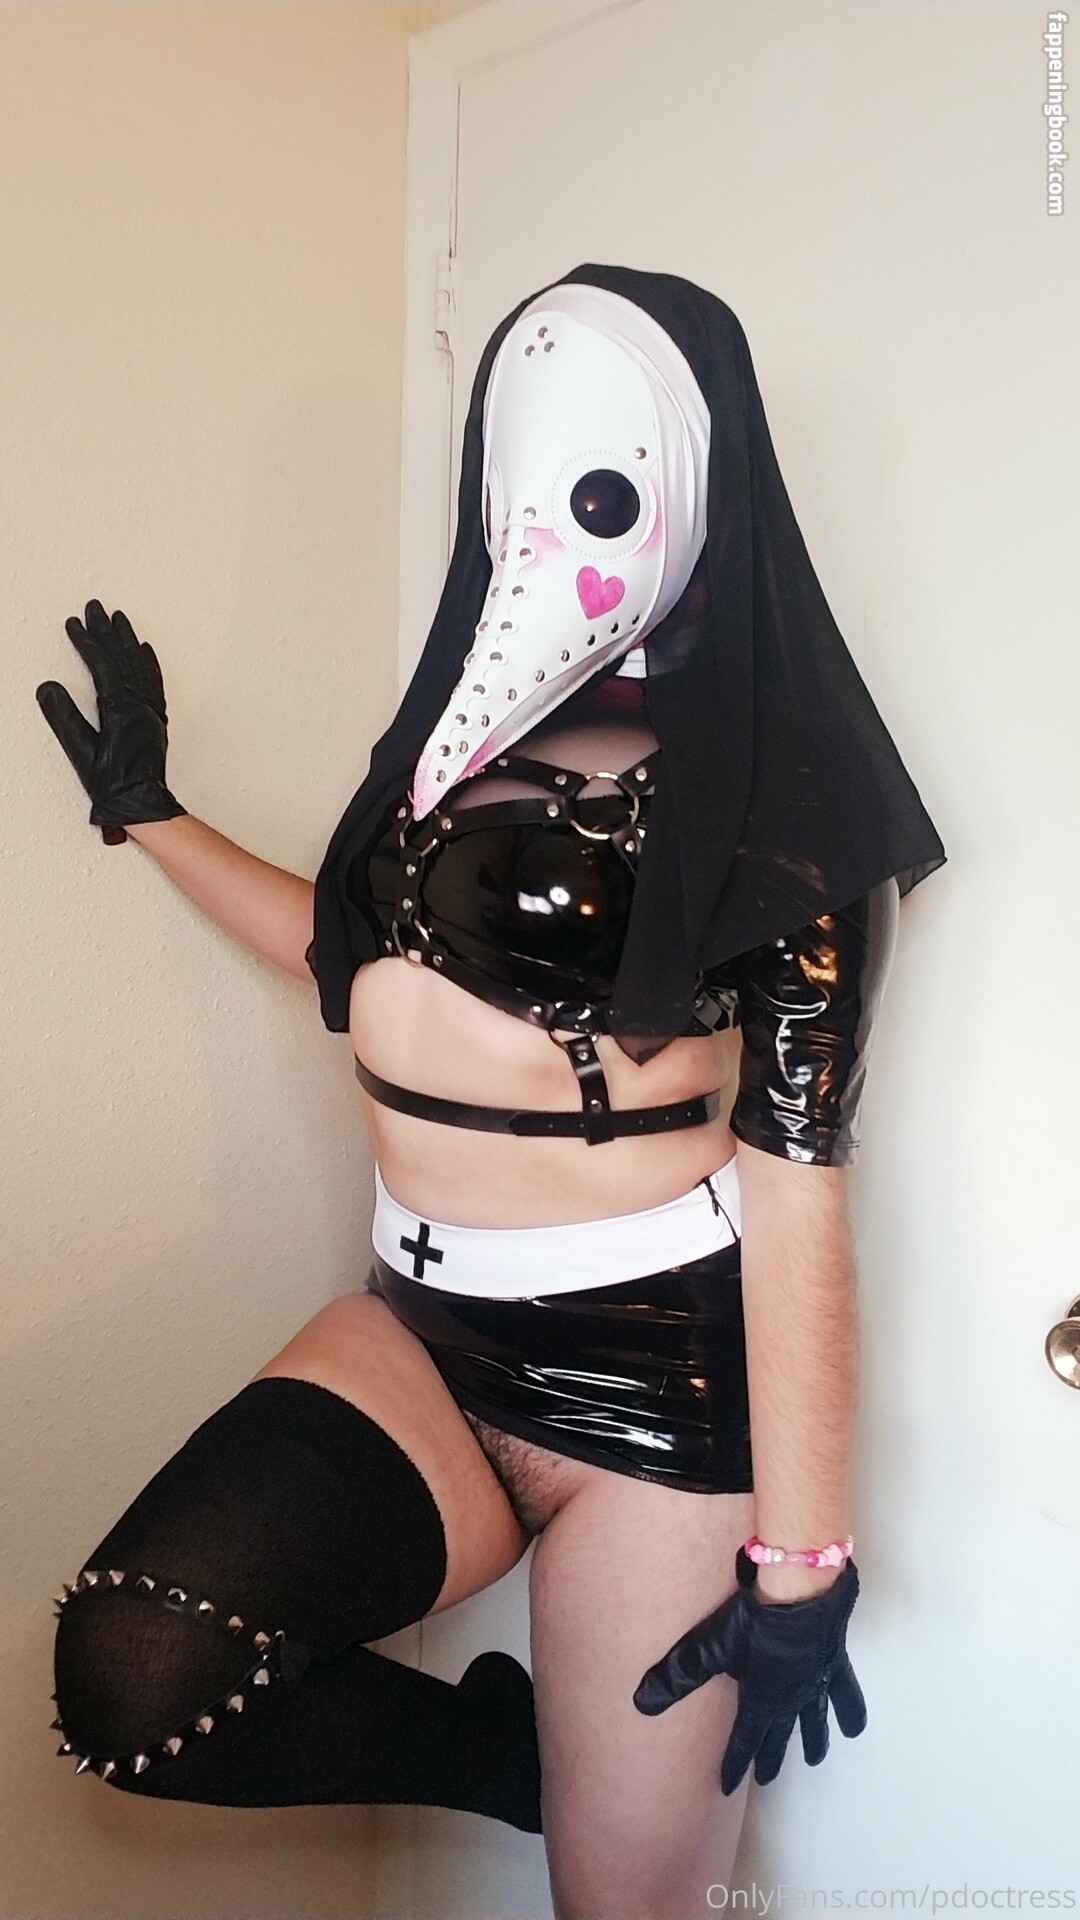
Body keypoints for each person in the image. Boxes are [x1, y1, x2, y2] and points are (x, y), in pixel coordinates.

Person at [38, 264, 944, 1920]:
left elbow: (800, 1187)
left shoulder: (780, 807)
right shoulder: (454, 748)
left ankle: (606, 1810)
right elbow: (349, 958)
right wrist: (154, 817)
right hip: (421, 1329)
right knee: (139, 1677)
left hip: (653, 1388)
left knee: (625, 1908)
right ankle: (515, 1756)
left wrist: (803, 1560)